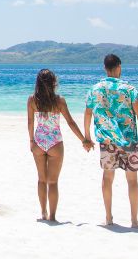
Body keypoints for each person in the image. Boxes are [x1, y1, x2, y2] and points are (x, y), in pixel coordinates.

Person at [83, 53, 138, 228]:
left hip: (106, 140)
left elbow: (88, 113)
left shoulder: (95, 89)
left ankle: (108, 218)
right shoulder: (129, 89)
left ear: (105, 68)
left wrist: (87, 137)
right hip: (129, 139)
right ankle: (134, 221)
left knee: (107, 178)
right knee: (132, 181)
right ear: (119, 67)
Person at [26, 68, 93, 222]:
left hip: (39, 142)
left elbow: (30, 122)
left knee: (41, 180)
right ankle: (52, 216)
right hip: (55, 143)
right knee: (53, 182)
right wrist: (84, 140)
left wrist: (31, 141)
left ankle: (43, 212)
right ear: (53, 83)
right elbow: (70, 122)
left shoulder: (32, 100)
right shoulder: (59, 101)